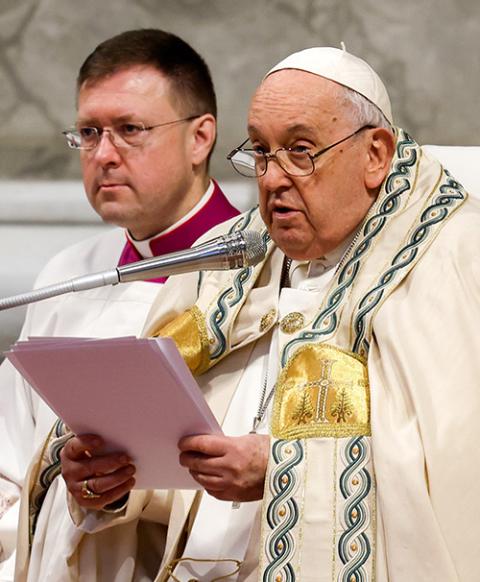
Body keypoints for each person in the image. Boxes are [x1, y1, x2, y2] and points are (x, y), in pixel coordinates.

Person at [19, 46, 480, 581]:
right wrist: (113, 484)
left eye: (301, 150)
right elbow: (171, 476)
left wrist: (281, 467)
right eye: (261, 152)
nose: (272, 178)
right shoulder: (229, 262)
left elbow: (452, 469)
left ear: (375, 154)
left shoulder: (445, 259)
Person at [0, 28, 239, 580]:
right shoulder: (67, 274)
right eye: (88, 133)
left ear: (200, 137)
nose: (104, 155)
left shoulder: (258, 279)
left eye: (131, 130)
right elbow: (11, 458)